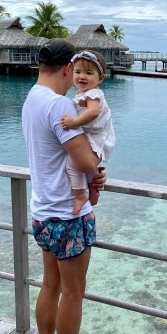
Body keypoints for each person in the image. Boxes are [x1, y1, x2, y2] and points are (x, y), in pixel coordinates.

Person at [21, 39, 105, 334]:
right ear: (69, 68)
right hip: (68, 216)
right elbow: (85, 161)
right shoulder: (57, 105)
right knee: (73, 292)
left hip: (42, 212)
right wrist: (97, 173)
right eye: (78, 70)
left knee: (50, 286)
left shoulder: (30, 99)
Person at [61, 50, 115, 215]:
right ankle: (93, 187)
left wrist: (73, 122)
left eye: (88, 73)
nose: (82, 76)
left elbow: (93, 112)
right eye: (77, 72)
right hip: (90, 133)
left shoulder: (93, 94)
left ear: (100, 78)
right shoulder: (81, 93)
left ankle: (79, 195)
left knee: (72, 164)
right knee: (82, 164)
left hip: (94, 134)